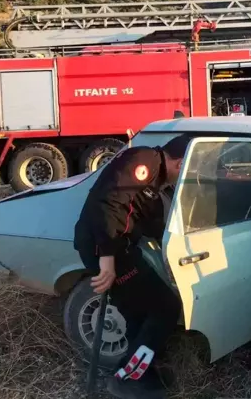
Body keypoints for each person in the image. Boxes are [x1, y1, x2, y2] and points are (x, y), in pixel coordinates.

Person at [74, 134, 192, 399]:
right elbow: (110, 204)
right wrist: (107, 259)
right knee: (166, 307)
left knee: (139, 315)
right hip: (106, 248)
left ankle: (143, 371)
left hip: (119, 248)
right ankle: (126, 378)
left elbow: (150, 223)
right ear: (180, 162)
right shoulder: (144, 162)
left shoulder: (156, 179)